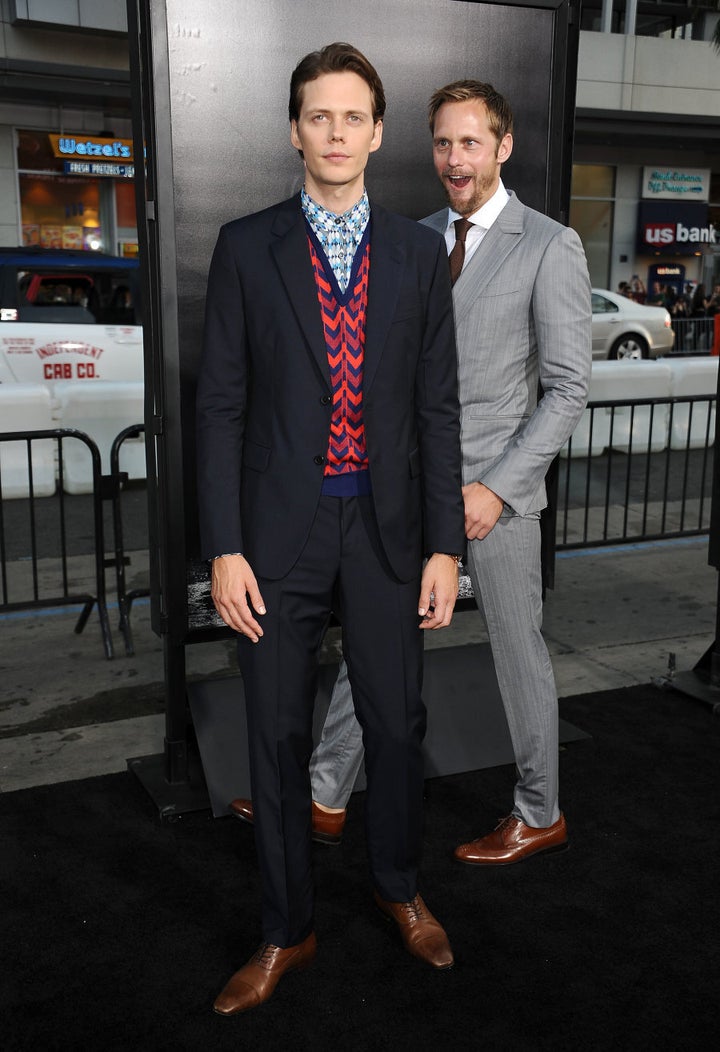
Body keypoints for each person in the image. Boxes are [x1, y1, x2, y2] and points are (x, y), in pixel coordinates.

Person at [230, 78, 592, 867]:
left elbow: (568, 387)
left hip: (495, 496)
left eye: (470, 142)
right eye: (442, 142)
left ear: (503, 146)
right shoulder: (417, 239)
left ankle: (540, 810)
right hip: (406, 493)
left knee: (515, 648)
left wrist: (496, 488)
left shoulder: (549, 243)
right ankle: (326, 792)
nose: (454, 159)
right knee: (379, 651)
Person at [195, 43, 466, 1016]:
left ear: (379, 131)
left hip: (390, 533)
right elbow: (220, 404)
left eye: (354, 117)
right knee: (275, 733)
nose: (338, 133)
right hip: (276, 538)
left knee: (396, 725)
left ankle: (398, 883)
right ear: (295, 129)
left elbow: (438, 406)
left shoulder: (415, 253)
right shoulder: (245, 245)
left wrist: (445, 544)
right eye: (320, 116)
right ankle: (285, 926)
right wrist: (223, 545)